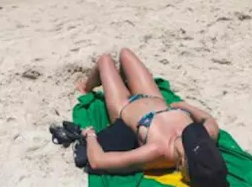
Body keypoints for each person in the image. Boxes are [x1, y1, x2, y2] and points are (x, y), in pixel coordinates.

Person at [73, 49, 228, 186]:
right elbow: (209, 120)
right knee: (125, 54)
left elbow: (98, 161)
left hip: (124, 106)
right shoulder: (205, 139)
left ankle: (86, 87)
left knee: (105, 60)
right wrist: (184, 106)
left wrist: (91, 135)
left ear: (184, 163)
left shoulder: (158, 151)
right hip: (153, 96)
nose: (194, 135)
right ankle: (121, 80)